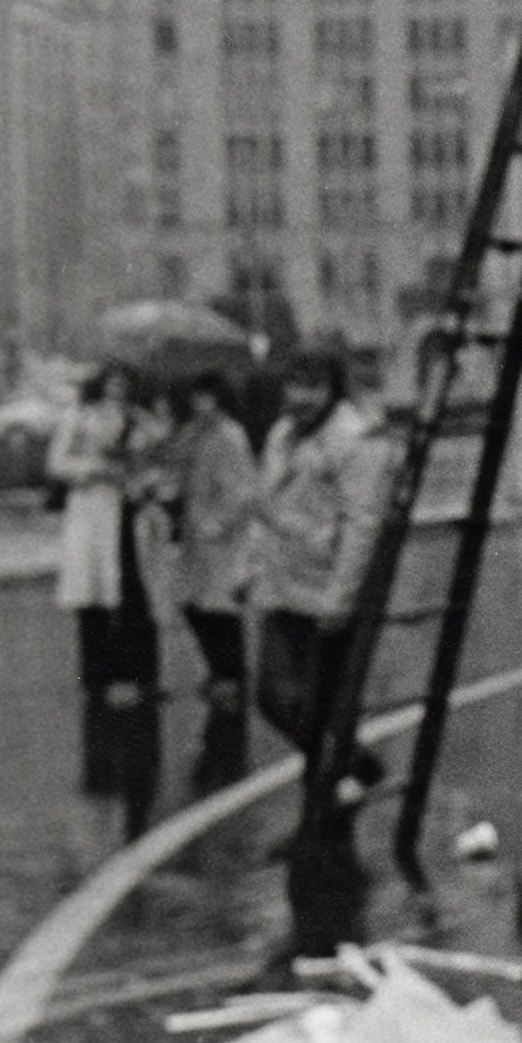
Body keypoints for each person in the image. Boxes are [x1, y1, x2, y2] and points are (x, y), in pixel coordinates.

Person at [252, 339, 393, 804]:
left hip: (326, 589)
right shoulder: (281, 435)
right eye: (295, 385)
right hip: (282, 586)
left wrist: (341, 597)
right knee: (273, 697)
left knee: (322, 705)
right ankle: (355, 765)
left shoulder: (353, 439)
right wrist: (251, 567)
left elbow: (363, 525)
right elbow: (267, 506)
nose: (300, 397)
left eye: (313, 387)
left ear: (334, 389)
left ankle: (323, 815)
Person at [49, 367, 164, 795]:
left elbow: (156, 463)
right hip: (91, 512)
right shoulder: (80, 416)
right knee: (92, 599)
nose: (119, 389)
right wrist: (94, 468)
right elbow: (58, 463)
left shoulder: (145, 420)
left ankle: (138, 675)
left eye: (125, 382)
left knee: (135, 597)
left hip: (129, 513)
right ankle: (96, 677)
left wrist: (141, 478)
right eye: (112, 382)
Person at [171, 369, 260, 711]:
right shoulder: (193, 433)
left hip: (222, 534)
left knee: (220, 607)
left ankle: (230, 676)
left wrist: (220, 523)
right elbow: (176, 468)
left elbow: (244, 490)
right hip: (195, 532)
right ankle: (217, 670)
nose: (200, 404)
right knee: (192, 603)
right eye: (197, 397)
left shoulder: (230, 435)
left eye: (207, 397)